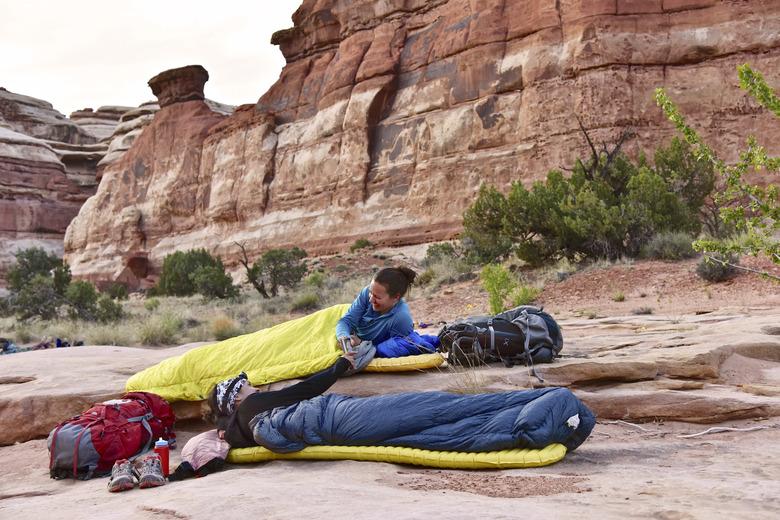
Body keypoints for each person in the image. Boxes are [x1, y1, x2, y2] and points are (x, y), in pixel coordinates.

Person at [208, 351, 356, 448]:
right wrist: (340, 365)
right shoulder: (251, 405)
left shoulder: (235, 430)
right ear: (237, 397)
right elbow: (304, 390)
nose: (257, 389)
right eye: (249, 386)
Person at [336, 266, 417, 348]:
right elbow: (347, 321)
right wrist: (344, 338)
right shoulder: (367, 293)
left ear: (396, 297)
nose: (371, 300)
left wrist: (361, 343)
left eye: (377, 297)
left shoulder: (401, 319)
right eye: (370, 292)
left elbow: (397, 348)